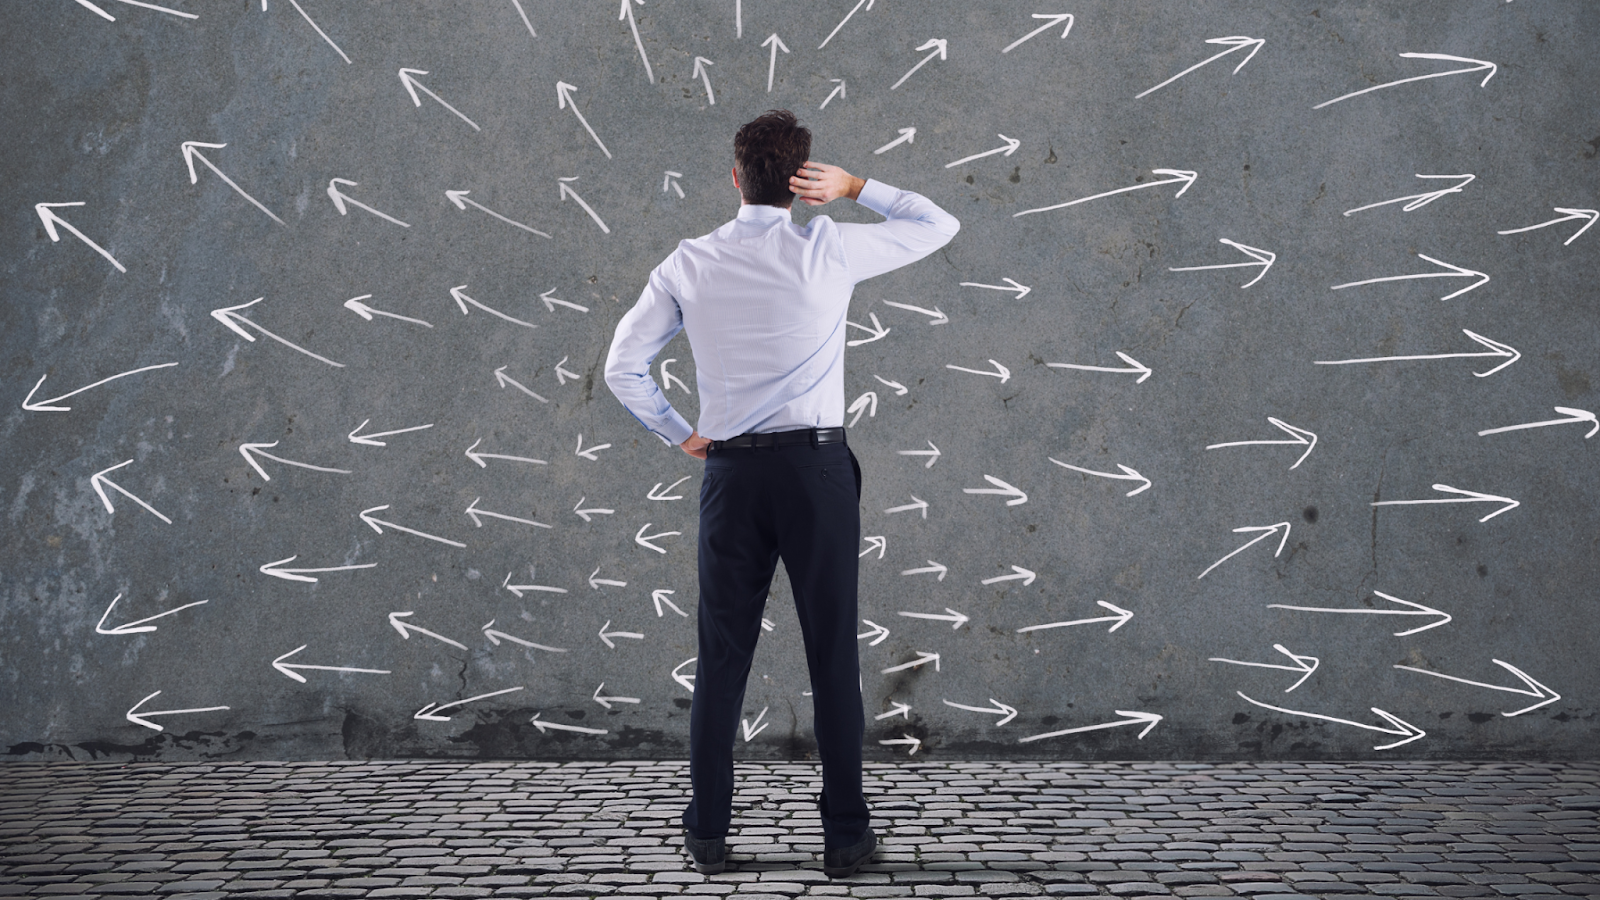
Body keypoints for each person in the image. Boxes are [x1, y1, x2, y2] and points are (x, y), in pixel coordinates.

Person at [603, 109, 959, 878]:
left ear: (735, 177)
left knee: (721, 658)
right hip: (816, 474)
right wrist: (860, 185)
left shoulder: (688, 262)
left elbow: (622, 367)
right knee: (832, 657)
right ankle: (845, 840)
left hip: (731, 475)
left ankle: (707, 834)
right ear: (804, 183)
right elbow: (939, 222)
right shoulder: (830, 246)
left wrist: (680, 432)